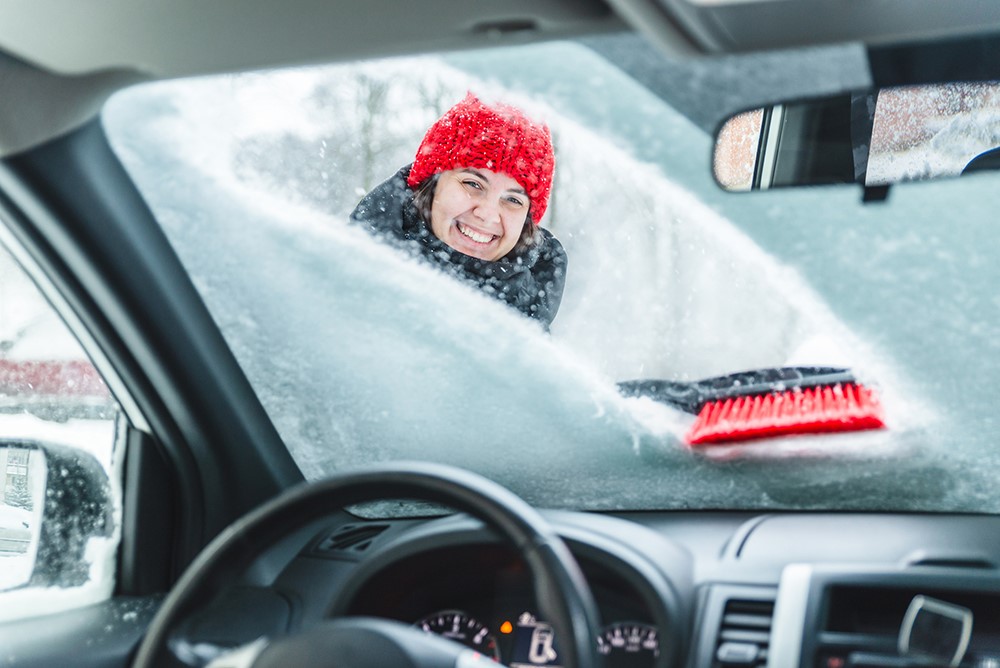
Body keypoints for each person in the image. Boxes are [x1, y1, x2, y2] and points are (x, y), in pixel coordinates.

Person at [350, 93, 567, 329]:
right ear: (432, 185)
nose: (487, 214)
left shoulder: (529, 342)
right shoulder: (346, 278)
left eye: (513, 200)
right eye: (473, 184)